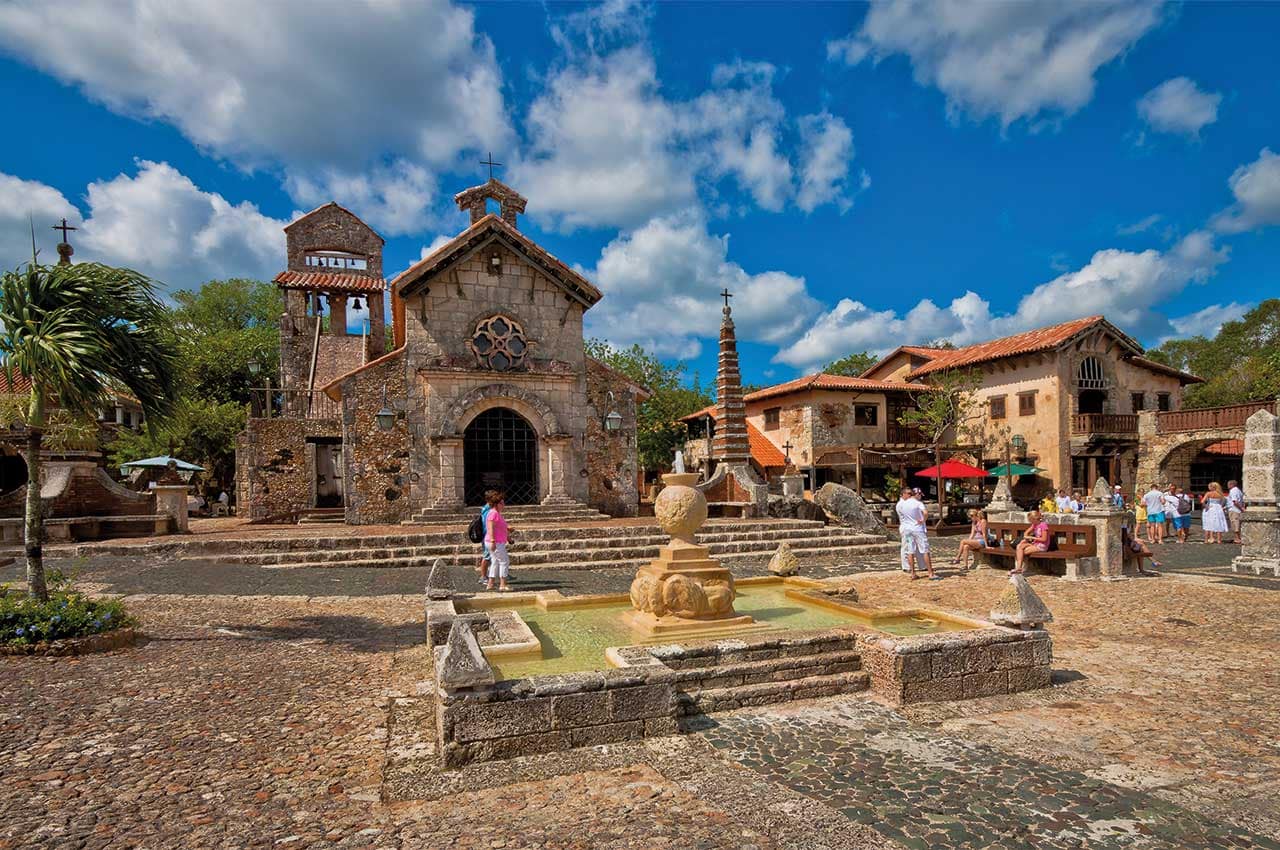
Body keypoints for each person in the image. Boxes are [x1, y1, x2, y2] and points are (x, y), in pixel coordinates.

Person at [895, 486, 937, 580]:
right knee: (925, 550)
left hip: (908, 530)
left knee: (910, 550)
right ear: (916, 494)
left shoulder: (903, 504)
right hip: (917, 529)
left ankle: (913, 573)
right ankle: (930, 573)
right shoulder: (918, 503)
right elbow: (925, 513)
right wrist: (923, 520)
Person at [483, 489, 511, 592]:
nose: (503, 505)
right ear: (496, 504)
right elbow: (490, 528)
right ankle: (502, 584)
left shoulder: (495, 513)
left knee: (495, 561)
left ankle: (491, 583)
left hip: (495, 541)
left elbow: (499, 528)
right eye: (501, 503)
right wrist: (493, 540)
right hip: (496, 542)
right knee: (504, 561)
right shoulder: (494, 513)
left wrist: (508, 536)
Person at [1013, 509, 1050, 574]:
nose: (1030, 522)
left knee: (1021, 552)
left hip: (1042, 546)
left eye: (1030, 520)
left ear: (1034, 519)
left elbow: (1044, 539)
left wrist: (1031, 537)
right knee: (1019, 546)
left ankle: (1019, 568)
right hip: (1035, 543)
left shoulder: (1043, 525)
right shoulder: (1034, 525)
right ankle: (1019, 568)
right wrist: (1026, 539)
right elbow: (1026, 532)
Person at [952, 508, 988, 572]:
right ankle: (965, 566)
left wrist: (986, 545)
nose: (971, 518)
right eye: (970, 516)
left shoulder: (983, 521)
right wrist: (968, 541)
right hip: (975, 541)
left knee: (963, 541)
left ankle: (957, 558)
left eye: (971, 516)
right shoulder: (974, 523)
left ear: (976, 515)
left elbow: (984, 534)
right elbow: (972, 534)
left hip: (982, 541)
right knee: (965, 546)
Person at [1227, 479, 1246, 544]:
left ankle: (1237, 538)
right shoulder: (1238, 490)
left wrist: (1241, 508)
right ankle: (1238, 537)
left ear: (1231, 484)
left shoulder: (1233, 491)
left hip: (1234, 509)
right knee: (1237, 523)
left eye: (1228, 484)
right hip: (1237, 510)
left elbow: (1235, 501)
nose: (1227, 486)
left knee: (1235, 524)